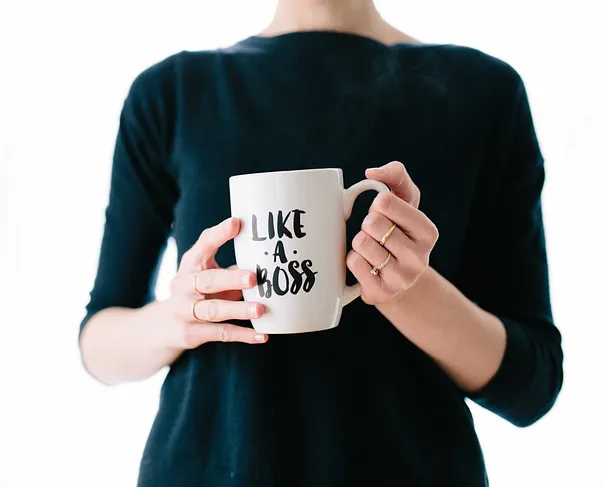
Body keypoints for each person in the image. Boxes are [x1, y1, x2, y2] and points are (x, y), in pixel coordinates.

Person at [78, 0, 564, 485]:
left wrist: (407, 290)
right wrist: (177, 319)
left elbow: (531, 384)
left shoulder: (483, 93)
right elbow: (98, 343)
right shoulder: (172, 94)